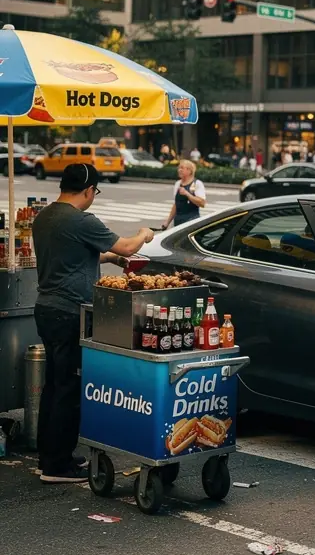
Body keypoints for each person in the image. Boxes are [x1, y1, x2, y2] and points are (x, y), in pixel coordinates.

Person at [32, 164, 154, 483]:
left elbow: (72, 255)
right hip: (69, 312)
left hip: (46, 309)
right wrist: (144, 233)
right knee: (69, 388)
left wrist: (109, 259)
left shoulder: (45, 217)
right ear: (88, 190)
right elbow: (127, 246)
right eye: (95, 192)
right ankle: (57, 467)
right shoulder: (82, 219)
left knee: (55, 385)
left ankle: (50, 455)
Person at [161, 160, 206, 230]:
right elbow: (176, 204)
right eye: (179, 168)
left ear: (189, 171)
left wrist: (187, 194)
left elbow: (202, 203)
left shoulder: (197, 183)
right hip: (178, 222)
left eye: (182, 168)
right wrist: (167, 222)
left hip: (192, 222)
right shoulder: (178, 184)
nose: (179, 170)